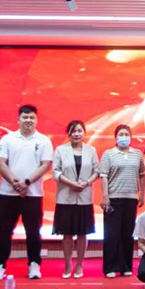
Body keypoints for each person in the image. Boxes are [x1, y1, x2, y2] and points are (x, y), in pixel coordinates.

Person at [0, 104, 53, 281]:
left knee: (33, 232)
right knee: (4, 232)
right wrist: (14, 183)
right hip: (8, 194)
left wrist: (27, 182)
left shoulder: (43, 140)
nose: (28, 120)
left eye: (32, 117)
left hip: (33, 194)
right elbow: (0, 162)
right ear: (18, 119)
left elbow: (45, 165)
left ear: (36, 120)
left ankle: (34, 265)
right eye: (25, 117)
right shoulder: (8, 139)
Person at [53, 120, 100, 279]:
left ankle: (79, 265)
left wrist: (86, 183)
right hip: (65, 197)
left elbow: (97, 171)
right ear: (69, 133)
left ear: (84, 133)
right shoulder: (61, 150)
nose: (76, 134)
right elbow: (56, 172)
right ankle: (68, 265)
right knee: (67, 234)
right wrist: (71, 183)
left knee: (82, 233)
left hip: (84, 197)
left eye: (79, 131)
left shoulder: (91, 150)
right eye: (73, 131)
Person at [100, 124, 145, 278]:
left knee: (128, 233)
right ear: (116, 137)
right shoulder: (108, 154)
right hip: (113, 198)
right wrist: (105, 196)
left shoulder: (137, 154)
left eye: (127, 134)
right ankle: (110, 267)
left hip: (131, 198)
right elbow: (104, 176)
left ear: (131, 137)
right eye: (121, 134)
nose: (124, 137)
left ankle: (126, 266)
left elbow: (142, 174)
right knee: (112, 234)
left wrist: (142, 194)